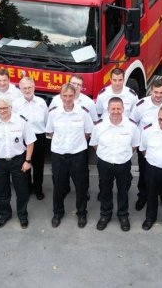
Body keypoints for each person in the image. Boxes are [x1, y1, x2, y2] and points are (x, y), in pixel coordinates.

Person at [0, 98, 36, 229]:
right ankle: (5, 214)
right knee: (2, 191)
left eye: (5, 108)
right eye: (0, 108)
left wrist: (28, 161)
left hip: (18, 160)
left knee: (22, 190)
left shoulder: (20, 122)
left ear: (11, 107)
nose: (3, 111)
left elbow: (30, 142)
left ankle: (22, 215)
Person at [46, 83, 94, 228]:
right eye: (64, 96)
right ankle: (57, 213)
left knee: (81, 186)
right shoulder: (54, 113)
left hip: (78, 154)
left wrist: (76, 144)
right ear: (60, 96)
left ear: (75, 96)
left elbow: (88, 132)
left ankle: (81, 213)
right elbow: (50, 132)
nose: (67, 99)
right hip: (59, 154)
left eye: (70, 96)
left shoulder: (83, 113)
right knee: (59, 186)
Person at [129, 79, 162, 211]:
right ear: (150, 91)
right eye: (155, 92)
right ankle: (143, 196)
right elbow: (133, 123)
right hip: (146, 148)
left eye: (161, 93)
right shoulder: (141, 105)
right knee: (144, 174)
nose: (158, 95)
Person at [89, 97, 140, 231]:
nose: (116, 111)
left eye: (119, 108)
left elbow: (134, 145)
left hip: (123, 164)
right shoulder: (100, 125)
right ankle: (105, 215)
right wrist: (104, 155)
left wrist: (124, 155)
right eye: (113, 108)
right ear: (108, 109)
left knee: (123, 191)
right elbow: (94, 143)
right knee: (105, 190)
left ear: (123, 109)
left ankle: (123, 215)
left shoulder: (131, 126)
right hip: (105, 163)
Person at [12, 77, 49, 200]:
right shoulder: (16, 104)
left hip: (38, 137)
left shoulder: (41, 102)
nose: (27, 90)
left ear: (34, 87)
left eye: (29, 87)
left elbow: (46, 120)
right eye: (24, 88)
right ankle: (27, 188)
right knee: (24, 165)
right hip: (23, 139)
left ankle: (38, 188)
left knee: (38, 166)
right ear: (20, 89)